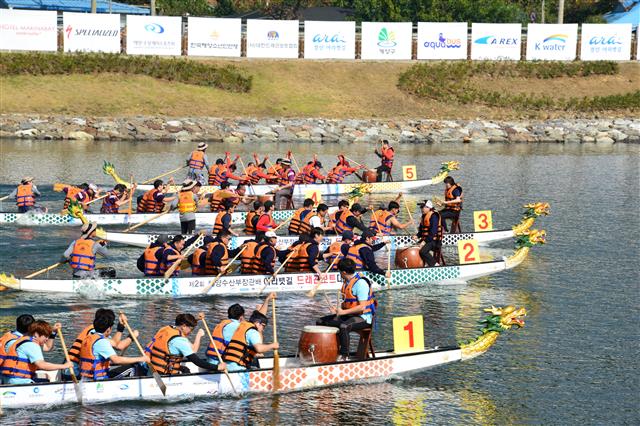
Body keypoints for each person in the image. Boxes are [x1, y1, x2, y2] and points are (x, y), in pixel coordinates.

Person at [316, 258, 377, 361]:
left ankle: (344, 356)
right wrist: (337, 310)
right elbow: (347, 304)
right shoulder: (347, 282)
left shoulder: (360, 283)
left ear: (343, 272)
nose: (339, 273)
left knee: (344, 326)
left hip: (363, 318)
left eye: (339, 271)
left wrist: (343, 312)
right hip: (349, 315)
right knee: (321, 322)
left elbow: (361, 307)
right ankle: (328, 351)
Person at [206, 293, 275, 365]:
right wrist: (267, 300)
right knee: (257, 354)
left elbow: (258, 321)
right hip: (223, 362)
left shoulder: (223, 324)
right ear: (241, 317)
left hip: (211, 360)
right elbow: (257, 325)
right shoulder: (239, 327)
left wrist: (266, 301)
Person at [145, 313, 224, 375]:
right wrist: (217, 367)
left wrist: (197, 319)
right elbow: (197, 361)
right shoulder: (180, 341)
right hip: (163, 374)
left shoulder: (166, 329)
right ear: (183, 326)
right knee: (186, 369)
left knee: (185, 369)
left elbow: (185, 325)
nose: (191, 332)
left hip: (152, 369)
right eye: (191, 329)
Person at [78, 313, 149, 380]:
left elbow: (117, 346)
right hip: (98, 379)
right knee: (135, 367)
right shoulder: (102, 342)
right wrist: (141, 358)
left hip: (86, 377)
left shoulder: (89, 337)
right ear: (108, 329)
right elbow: (116, 360)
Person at [68, 309, 135, 377]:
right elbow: (117, 346)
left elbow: (115, 343)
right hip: (73, 370)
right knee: (132, 368)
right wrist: (130, 336)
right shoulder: (93, 332)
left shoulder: (97, 330)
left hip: (79, 368)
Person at [1, 320, 72, 384]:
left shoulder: (23, 340)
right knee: (47, 382)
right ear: (36, 334)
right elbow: (42, 365)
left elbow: (47, 347)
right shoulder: (31, 345)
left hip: (9, 379)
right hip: (20, 381)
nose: (47, 339)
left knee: (45, 379)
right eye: (45, 336)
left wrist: (53, 332)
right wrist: (64, 366)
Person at [0, 314, 57, 381]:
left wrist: (53, 333)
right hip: (10, 376)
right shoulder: (22, 342)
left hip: (7, 374)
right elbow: (46, 349)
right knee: (47, 377)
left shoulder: (9, 336)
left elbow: (47, 347)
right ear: (32, 328)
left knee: (45, 375)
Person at [222, 308, 279, 372]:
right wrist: (272, 345)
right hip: (238, 367)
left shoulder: (242, 327)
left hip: (227, 365)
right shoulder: (253, 332)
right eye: (263, 326)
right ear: (257, 323)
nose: (263, 329)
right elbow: (259, 349)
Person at [417, 200, 443, 267]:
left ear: (428, 207)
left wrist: (424, 242)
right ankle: (422, 264)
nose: (421, 209)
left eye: (423, 207)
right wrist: (416, 236)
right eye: (421, 207)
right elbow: (421, 231)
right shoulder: (423, 216)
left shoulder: (434, 216)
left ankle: (435, 265)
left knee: (423, 251)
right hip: (428, 240)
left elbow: (433, 231)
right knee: (414, 247)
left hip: (435, 241)